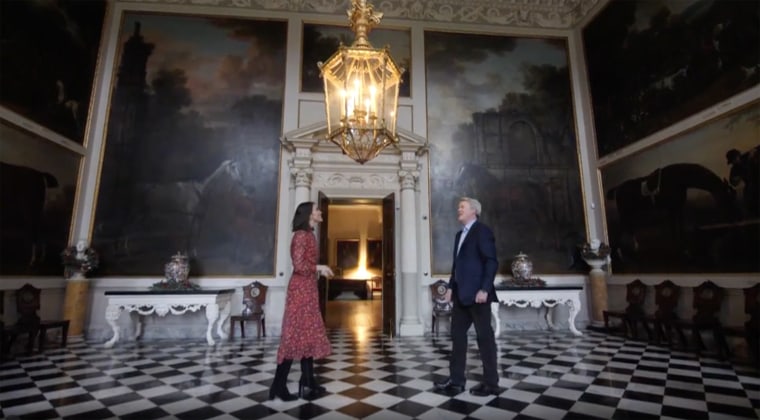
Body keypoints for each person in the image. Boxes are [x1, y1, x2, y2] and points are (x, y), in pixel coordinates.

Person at [434, 197, 500, 397]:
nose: (458, 209)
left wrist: (485, 289)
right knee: (457, 338)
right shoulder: (458, 235)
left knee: (484, 339)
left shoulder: (483, 231)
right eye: (458, 207)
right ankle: (456, 381)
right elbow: (457, 267)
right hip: (461, 297)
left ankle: (491, 384)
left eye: (462, 207)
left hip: (478, 296)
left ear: (474, 211)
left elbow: (491, 262)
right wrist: (451, 289)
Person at [270, 202, 334, 401]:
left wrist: (316, 270)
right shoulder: (300, 236)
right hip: (300, 290)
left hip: (308, 289)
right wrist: (319, 268)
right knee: (294, 334)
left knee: (308, 333)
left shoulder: (309, 235)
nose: (320, 211)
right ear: (308, 214)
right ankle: (278, 386)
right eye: (317, 209)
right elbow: (298, 265)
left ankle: (308, 380)